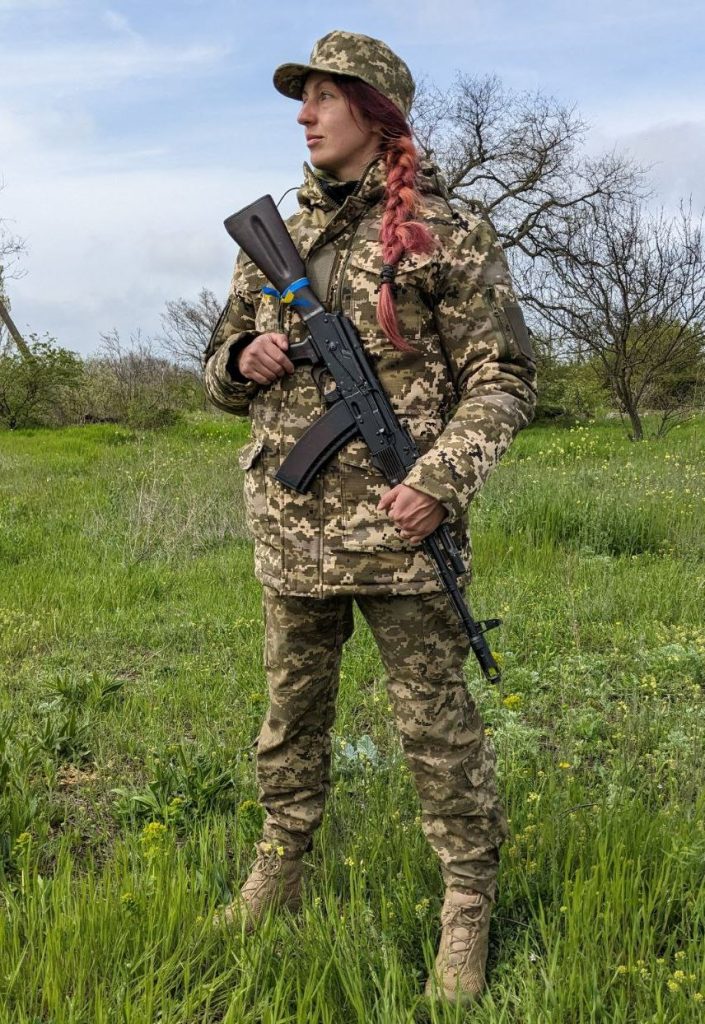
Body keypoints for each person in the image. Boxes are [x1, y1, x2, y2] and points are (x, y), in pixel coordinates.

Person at [203, 30, 536, 1007]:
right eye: (301, 99)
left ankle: (466, 903)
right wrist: (242, 362)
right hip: (293, 528)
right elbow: (217, 369)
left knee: (437, 729)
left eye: (322, 98)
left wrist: (440, 480)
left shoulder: (447, 231)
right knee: (290, 719)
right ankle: (280, 867)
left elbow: (504, 379)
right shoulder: (272, 239)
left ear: (374, 111)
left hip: (403, 534)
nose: (304, 116)